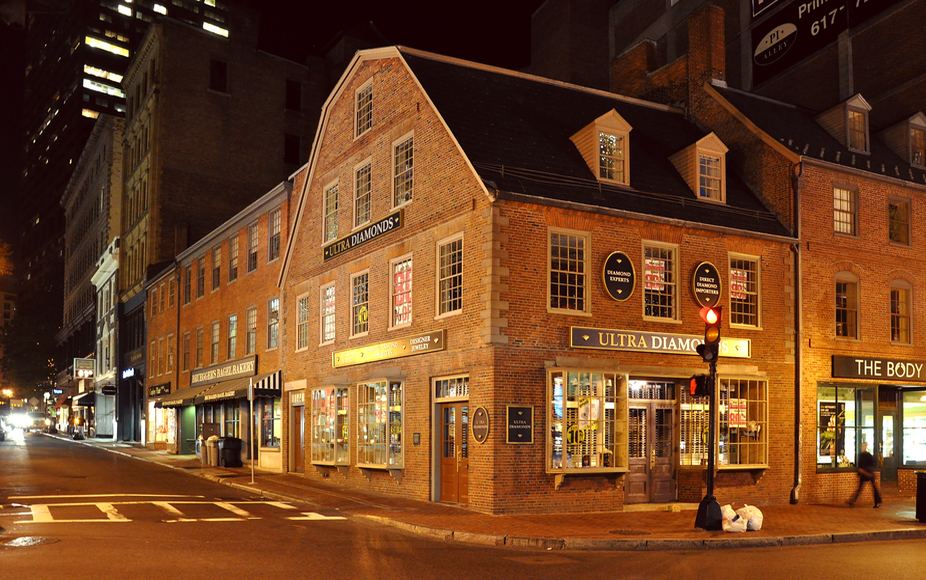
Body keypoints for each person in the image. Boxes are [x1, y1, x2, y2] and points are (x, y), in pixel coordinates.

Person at [847, 442, 882, 508]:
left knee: (871, 488)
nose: (862, 447)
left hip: (866, 473)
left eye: (863, 446)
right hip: (867, 473)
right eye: (862, 446)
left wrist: (866, 472)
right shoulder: (865, 455)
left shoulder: (865, 455)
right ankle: (878, 502)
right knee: (864, 488)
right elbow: (872, 464)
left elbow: (863, 466)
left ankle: (852, 501)